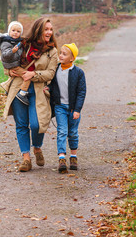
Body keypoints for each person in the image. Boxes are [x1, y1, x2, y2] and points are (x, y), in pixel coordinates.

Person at [3, 17, 58, 172]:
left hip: (39, 91)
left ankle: (37, 147)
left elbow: (50, 73)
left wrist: (32, 75)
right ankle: (26, 159)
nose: (49, 32)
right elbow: (8, 61)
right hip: (18, 88)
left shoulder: (52, 51)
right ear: (38, 30)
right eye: (46, 29)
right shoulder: (23, 45)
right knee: (21, 124)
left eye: (50, 29)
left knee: (37, 124)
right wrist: (9, 71)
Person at [49, 43, 87, 173]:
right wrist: (47, 89)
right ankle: (61, 158)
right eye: (60, 53)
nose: (60, 56)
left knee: (73, 133)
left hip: (73, 109)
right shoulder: (56, 70)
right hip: (60, 107)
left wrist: (77, 110)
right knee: (62, 131)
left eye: (64, 54)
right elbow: (52, 86)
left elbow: (81, 92)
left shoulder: (78, 73)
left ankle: (73, 156)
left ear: (72, 58)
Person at [0, 21, 31, 105]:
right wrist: (12, 51)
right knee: (27, 76)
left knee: (15, 77)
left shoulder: (17, 42)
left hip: (15, 64)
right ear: (9, 31)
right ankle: (22, 93)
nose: (15, 33)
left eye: (18, 31)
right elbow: (4, 55)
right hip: (12, 65)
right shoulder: (6, 42)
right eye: (13, 30)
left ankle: (7, 87)